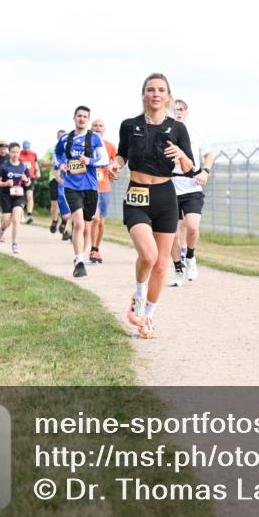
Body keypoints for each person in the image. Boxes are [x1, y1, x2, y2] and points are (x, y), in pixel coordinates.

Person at [108, 73, 193, 338]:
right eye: (151, 89)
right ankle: (139, 296)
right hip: (137, 194)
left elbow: (189, 168)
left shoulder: (177, 128)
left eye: (161, 90)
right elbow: (122, 155)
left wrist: (181, 155)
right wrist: (115, 165)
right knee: (148, 255)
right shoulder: (129, 125)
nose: (156, 94)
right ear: (144, 94)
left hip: (165, 196)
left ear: (168, 96)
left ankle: (148, 317)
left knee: (161, 265)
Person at [54, 106, 110, 277]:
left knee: (87, 226)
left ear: (88, 120)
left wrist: (89, 161)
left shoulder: (95, 138)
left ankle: (82, 256)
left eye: (85, 117)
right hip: (71, 186)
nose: (81, 119)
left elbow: (104, 159)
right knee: (78, 223)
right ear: (74, 118)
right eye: (79, 116)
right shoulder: (65, 138)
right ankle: (79, 261)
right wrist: (60, 164)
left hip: (91, 187)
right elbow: (56, 154)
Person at [169, 98, 215, 284]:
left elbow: (209, 154)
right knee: (171, 233)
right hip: (170, 187)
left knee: (192, 226)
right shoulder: (164, 132)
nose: (178, 112)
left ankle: (190, 256)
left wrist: (205, 171)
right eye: (174, 109)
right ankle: (177, 268)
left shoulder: (195, 131)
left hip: (192, 186)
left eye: (181, 109)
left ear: (186, 112)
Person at [0, 142, 32, 254]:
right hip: (6, 196)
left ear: (19, 153)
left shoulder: (23, 167)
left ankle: (15, 244)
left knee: (16, 219)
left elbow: (28, 182)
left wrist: (26, 180)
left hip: (19, 196)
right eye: (13, 152)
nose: (15, 154)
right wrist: (6, 183)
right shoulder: (4, 166)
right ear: (9, 153)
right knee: (6, 221)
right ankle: (1, 230)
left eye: (17, 152)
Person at [89, 119, 118, 264]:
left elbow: (116, 163)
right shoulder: (85, 145)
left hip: (105, 187)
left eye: (100, 126)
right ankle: (92, 249)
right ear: (91, 129)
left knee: (101, 222)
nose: (98, 128)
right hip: (90, 187)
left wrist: (114, 172)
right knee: (95, 219)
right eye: (95, 125)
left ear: (104, 129)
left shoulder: (110, 146)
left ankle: (96, 249)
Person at [46, 129, 71, 236]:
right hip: (54, 179)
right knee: (55, 202)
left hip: (68, 180)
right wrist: (53, 162)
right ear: (57, 137)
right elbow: (43, 163)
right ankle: (55, 220)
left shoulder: (71, 149)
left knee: (68, 203)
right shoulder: (52, 149)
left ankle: (65, 222)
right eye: (60, 136)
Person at [18, 140, 41, 224]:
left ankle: (29, 214)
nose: (26, 150)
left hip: (30, 178)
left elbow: (35, 164)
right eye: (25, 148)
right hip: (20, 178)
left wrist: (38, 171)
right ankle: (21, 216)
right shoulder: (19, 154)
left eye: (27, 148)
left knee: (29, 195)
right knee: (20, 196)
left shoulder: (33, 154)